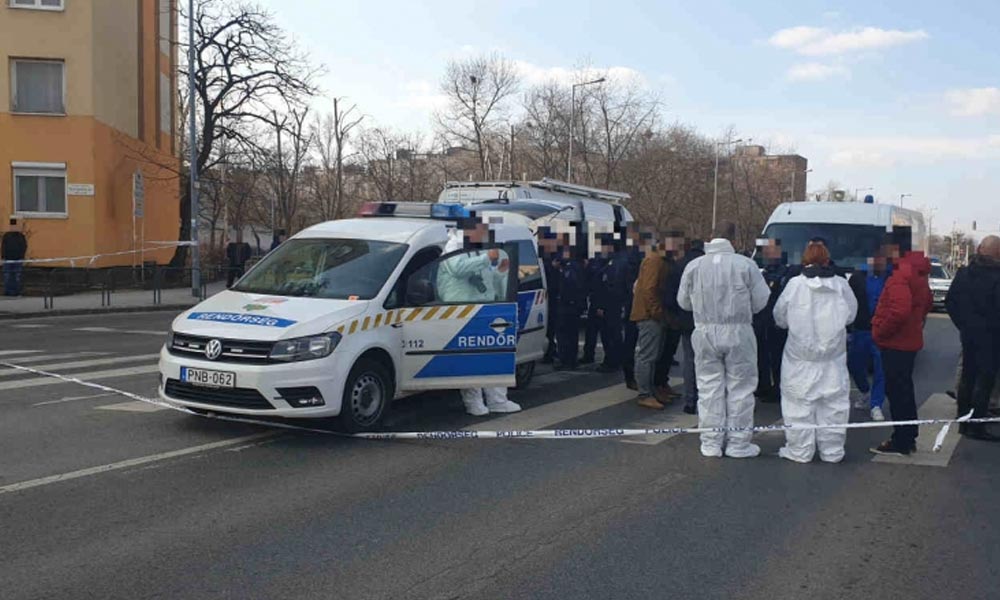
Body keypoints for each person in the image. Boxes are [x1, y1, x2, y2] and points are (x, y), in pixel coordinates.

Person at [678, 222, 770, 457]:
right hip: (738, 332)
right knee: (741, 387)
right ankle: (738, 444)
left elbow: (683, 302)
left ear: (711, 237)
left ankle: (710, 442)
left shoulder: (694, 266)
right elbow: (761, 301)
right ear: (734, 239)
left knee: (708, 386)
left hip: (704, 331)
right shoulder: (746, 265)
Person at [773, 242, 858, 463]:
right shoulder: (841, 285)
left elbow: (779, 317)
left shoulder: (795, 285)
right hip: (833, 358)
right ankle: (832, 451)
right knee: (834, 405)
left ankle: (800, 451)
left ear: (805, 260)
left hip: (799, 359)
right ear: (827, 259)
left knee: (798, 405)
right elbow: (851, 315)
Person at [438, 226, 521, 416]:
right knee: (471, 359)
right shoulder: (453, 246)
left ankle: (498, 400)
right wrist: (486, 258)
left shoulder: (478, 249)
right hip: (461, 310)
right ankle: (474, 403)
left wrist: (500, 272)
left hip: (484, 309)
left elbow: (487, 280)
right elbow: (457, 268)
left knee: (493, 356)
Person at [870, 250, 932, 456]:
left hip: (895, 343)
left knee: (897, 392)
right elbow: (926, 303)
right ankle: (908, 435)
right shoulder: (919, 274)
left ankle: (902, 440)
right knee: (904, 391)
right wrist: (915, 323)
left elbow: (899, 310)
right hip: (909, 340)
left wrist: (880, 331)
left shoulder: (900, 275)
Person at [945, 235, 1000, 441]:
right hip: (992, 337)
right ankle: (976, 424)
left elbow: (951, 302)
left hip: (969, 335)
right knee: (985, 381)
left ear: (979, 250)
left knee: (968, 377)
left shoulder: (964, 273)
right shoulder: (997, 276)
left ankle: (963, 420)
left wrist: (964, 325)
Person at [847, 247, 892, 421]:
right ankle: (865, 390)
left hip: (882, 332)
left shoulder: (891, 278)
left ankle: (876, 404)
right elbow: (849, 300)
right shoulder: (858, 277)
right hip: (861, 329)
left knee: (881, 369)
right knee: (854, 364)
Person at [665, 239, 704, 415]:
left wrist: (676, 316)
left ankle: (690, 400)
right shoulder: (707, 265)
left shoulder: (679, 265)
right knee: (708, 362)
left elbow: (671, 295)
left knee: (689, 361)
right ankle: (707, 400)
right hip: (706, 320)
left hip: (686, 319)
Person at [630, 238, 669, 409]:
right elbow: (649, 289)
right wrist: (657, 312)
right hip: (649, 315)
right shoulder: (655, 260)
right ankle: (645, 393)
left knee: (651, 355)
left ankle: (650, 390)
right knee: (647, 355)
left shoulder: (655, 259)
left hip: (649, 313)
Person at [753, 238, 790, 403]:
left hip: (777, 322)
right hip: (762, 321)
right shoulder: (763, 272)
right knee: (761, 356)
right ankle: (764, 385)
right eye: (766, 250)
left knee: (777, 357)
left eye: (772, 249)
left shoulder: (785, 273)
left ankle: (779, 387)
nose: (769, 253)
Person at [590, 237, 628, 373]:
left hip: (610, 305)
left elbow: (609, 287)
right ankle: (613, 359)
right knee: (611, 334)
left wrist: (601, 306)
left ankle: (612, 361)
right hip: (612, 304)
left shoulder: (614, 264)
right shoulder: (610, 262)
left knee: (610, 334)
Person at [555, 241, 586, 371]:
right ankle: (569, 359)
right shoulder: (574, 266)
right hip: (572, 305)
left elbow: (570, 287)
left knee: (565, 334)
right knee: (570, 334)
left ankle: (567, 360)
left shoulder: (571, 267)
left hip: (568, 305)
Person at [2, 219, 28, 297]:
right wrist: (3, 258)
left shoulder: (21, 236)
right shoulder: (6, 236)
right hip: (8, 259)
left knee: (17, 275)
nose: (14, 228)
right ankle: (8, 292)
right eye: (12, 226)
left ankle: (17, 292)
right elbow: (3, 247)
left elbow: (24, 247)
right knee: (7, 275)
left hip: (17, 259)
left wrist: (22, 258)